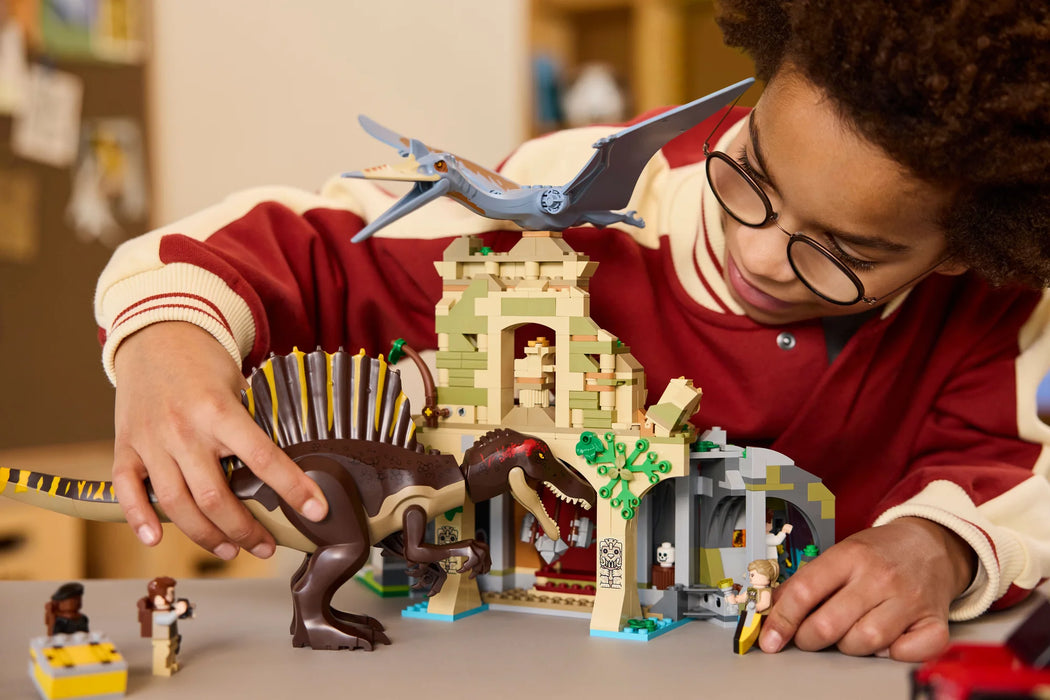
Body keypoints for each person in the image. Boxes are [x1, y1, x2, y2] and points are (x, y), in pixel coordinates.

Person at [94, 0, 1050, 662]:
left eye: (844, 252)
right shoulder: (576, 196)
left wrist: (942, 545)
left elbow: (1017, 468)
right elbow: (286, 246)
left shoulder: (994, 307)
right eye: (753, 175)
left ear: (964, 249)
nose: (762, 257)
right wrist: (166, 342)